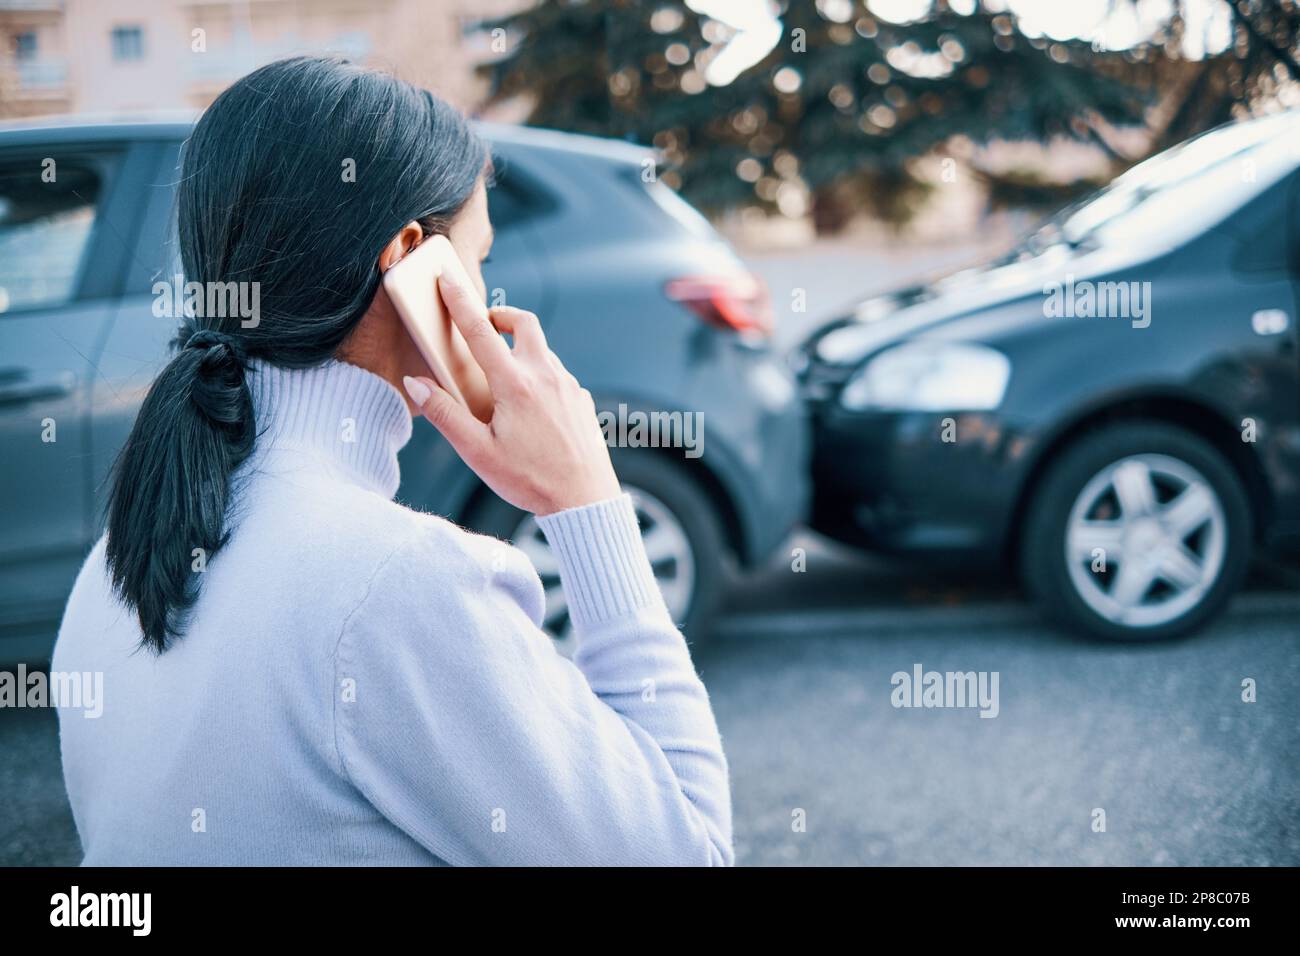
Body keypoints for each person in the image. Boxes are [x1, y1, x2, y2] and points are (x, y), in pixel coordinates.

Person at [52, 55, 732, 866]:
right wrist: (587, 503)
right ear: (409, 257)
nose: (483, 292)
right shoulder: (396, 584)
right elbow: (686, 853)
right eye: (476, 260)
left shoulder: (115, 562)